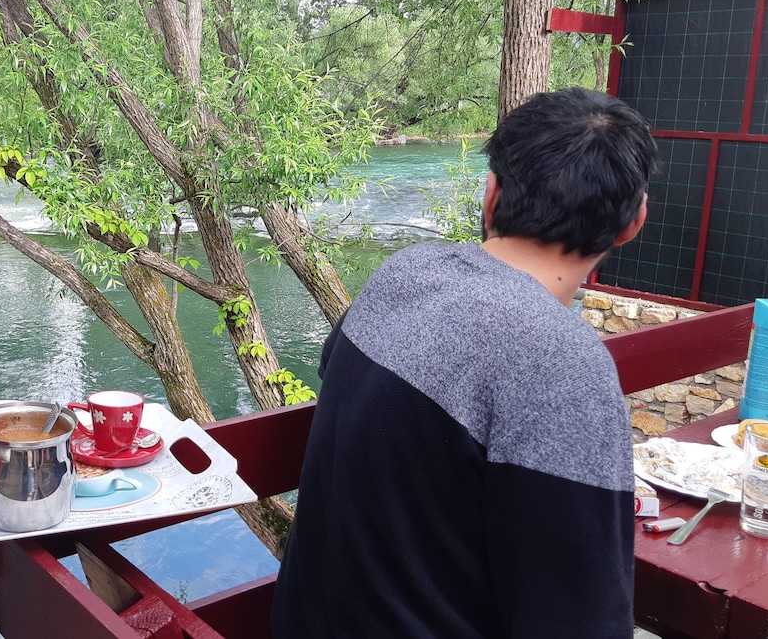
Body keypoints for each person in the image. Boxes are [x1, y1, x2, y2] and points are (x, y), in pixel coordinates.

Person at [271, 87, 657, 638]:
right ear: (633, 222)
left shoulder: (401, 273)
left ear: (492, 194)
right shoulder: (564, 360)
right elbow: (581, 615)